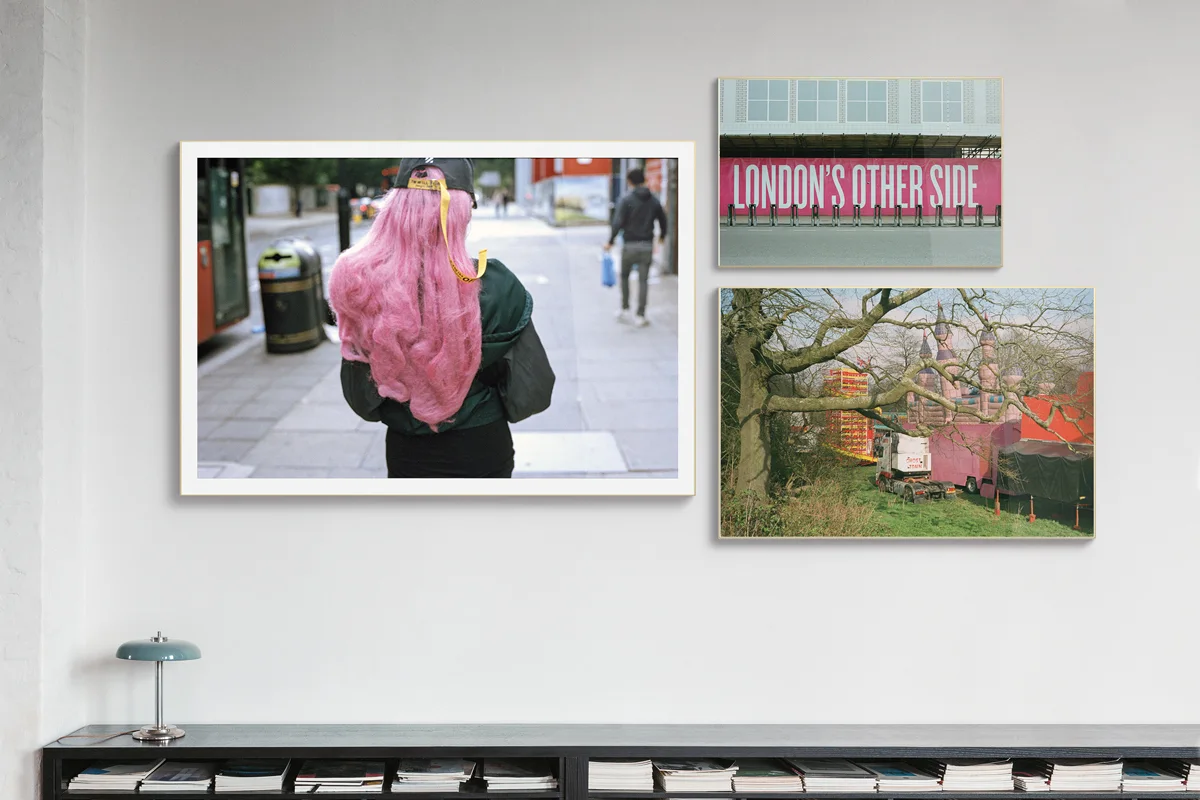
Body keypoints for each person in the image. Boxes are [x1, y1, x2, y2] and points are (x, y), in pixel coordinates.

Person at [329, 158, 554, 479]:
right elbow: (531, 391)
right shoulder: (497, 286)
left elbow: (362, 399)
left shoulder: (363, 287)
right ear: (463, 211)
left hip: (409, 454)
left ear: (395, 208)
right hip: (483, 447)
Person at [604, 168, 667, 327]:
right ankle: (641, 315)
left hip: (629, 245)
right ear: (644, 180)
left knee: (624, 276)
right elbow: (663, 220)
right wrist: (662, 236)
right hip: (646, 245)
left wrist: (610, 241)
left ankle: (625, 308)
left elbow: (617, 222)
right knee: (643, 281)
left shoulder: (626, 200)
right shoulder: (653, 200)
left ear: (630, 181)